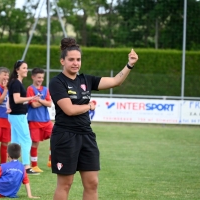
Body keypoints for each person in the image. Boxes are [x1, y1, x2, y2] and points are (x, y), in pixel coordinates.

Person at [48, 37, 138, 200]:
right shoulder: (57, 82)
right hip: (65, 136)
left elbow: (116, 81)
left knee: (92, 183)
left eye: (78, 59)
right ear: (62, 61)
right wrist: (88, 106)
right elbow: (69, 110)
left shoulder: (86, 80)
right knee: (66, 183)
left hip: (87, 135)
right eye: (71, 60)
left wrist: (129, 64)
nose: (75, 63)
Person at [7, 60, 41, 175]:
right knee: (27, 140)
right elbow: (16, 99)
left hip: (16, 116)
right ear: (17, 70)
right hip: (17, 116)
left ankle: (12, 164)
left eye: (27, 68)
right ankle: (26, 166)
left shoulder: (15, 82)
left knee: (15, 141)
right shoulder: (16, 83)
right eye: (24, 68)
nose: (26, 70)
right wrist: (31, 98)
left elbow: (11, 99)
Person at [26, 68, 53, 172]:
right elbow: (33, 104)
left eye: (42, 77)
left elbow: (49, 104)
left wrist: (40, 100)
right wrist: (44, 101)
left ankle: (51, 160)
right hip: (34, 120)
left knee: (55, 137)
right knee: (35, 142)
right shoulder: (30, 89)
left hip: (46, 120)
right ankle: (34, 165)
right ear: (33, 77)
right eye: (38, 77)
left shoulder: (45, 89)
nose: (40, 79)